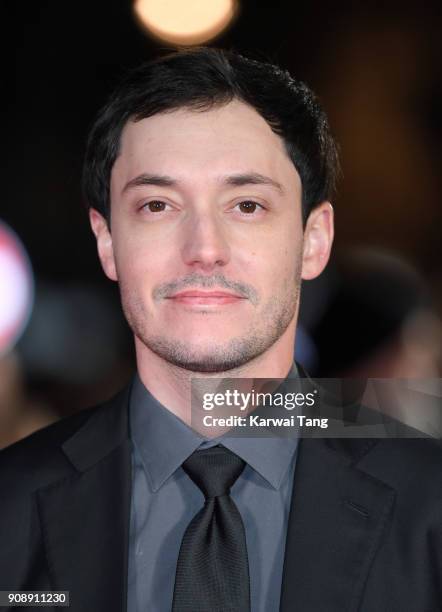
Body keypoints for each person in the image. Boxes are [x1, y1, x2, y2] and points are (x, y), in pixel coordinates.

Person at [0, 47, 441, 612]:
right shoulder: (10, 508)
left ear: (314, 239)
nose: (203, 250)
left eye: (247, 206)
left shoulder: (429, 506)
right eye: (158, 205)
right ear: (107, 241)